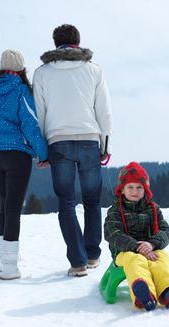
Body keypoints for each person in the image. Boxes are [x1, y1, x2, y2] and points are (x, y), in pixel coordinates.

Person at [33, 24, 113, 277]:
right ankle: (92, 256)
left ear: (55, 43)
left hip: (58, 142)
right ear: (78, 41)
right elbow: (104, 111)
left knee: (66, 202)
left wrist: (42, 149)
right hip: (90, 139)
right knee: (91, 200)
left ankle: (77, 262)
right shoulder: (94, 70)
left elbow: (40, 113)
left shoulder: (42, 73)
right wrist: (105, 145)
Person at [0, 49, 48, 280]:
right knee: (12, 207)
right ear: (21, 68)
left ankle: (4, 259)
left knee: (6, 204)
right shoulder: (22, 90)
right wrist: (43, 153)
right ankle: (10, 267)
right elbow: (31, 125)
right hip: (17, 155)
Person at [104, 162, 169, 310]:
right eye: (130, 187)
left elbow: (165, 229)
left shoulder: (153, 208)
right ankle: (144, 295)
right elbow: (112, 233)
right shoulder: (115, 210)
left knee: (163, 258)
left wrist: (152, 244)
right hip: (124, 252)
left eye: (139, 187)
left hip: (150, 249)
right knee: (135, 260)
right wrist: (137, 247)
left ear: (145, 189)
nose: (135, 191)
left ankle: (167, 293)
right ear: (122, 190)